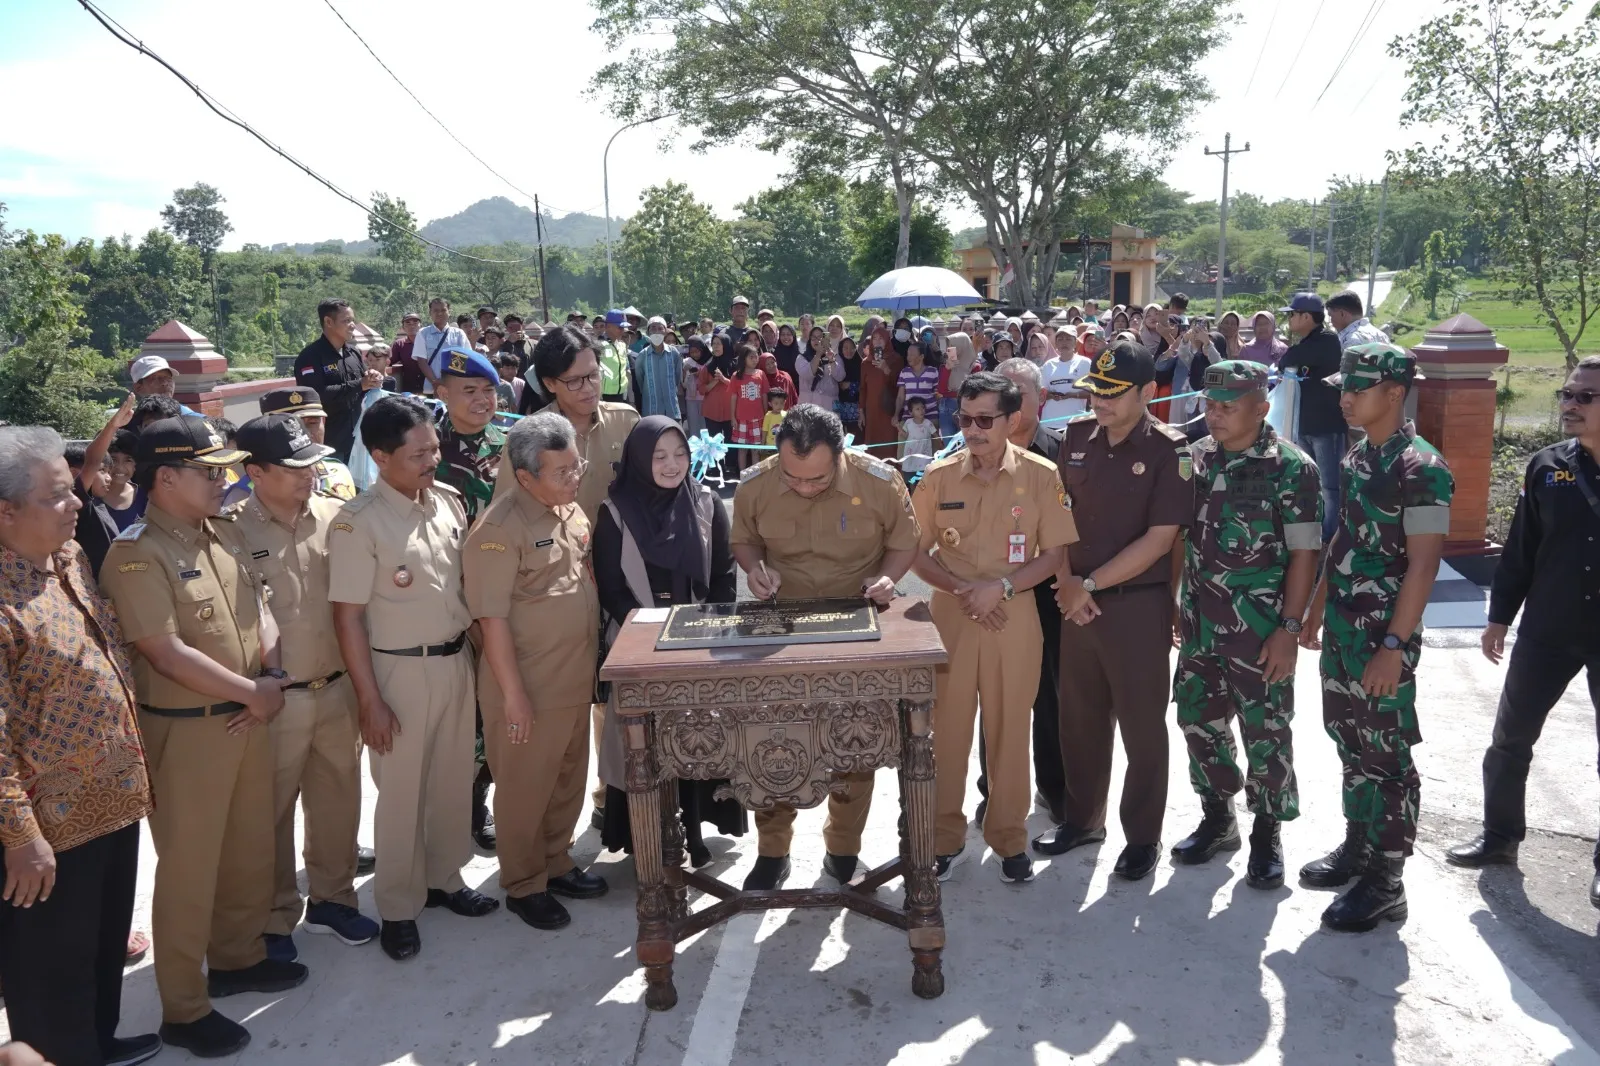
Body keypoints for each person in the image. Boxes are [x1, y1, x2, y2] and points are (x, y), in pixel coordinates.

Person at [99, 416, 303, 1058]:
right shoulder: (137, 553)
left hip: (249, 715)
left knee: (249, 850)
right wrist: (255, 692)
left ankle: (237, 959)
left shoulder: (223, 532)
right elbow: (163, 651)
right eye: (209, 472)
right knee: (190, 872)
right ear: (165, 479)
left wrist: (271, 678)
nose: (225, 482)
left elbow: (260, 610)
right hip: (189, 733)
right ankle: (184, 1008)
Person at [0, 426, 161, 1066]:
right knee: (50, 966)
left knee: (100, 942)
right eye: (58, 496)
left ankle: (99, 1042)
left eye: (73, 490)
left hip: (113, 798)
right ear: (6, 512)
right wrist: (20, 837)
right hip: (48, 829)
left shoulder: (67, 557)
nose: (76, 503)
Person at [328, 397, 500, 964]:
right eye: (418, 453)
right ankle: (399, 907)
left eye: (434, 448)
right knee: (402, 794)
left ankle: (445, 879)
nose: (432, 460)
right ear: (380, 457)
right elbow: (347, 617)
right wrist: (369, 699)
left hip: (454, 662)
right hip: (398, 670)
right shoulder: (358, 522)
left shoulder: (446, 502)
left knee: (452, 780)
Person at [730, 404, 919, 889]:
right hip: (782, 628)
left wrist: (888, 577)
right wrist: (754, 569)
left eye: (817, 479)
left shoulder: (879, 482)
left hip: (855, 623)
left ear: (840, 455)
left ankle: (843, 849)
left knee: (855, 739)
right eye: (792, 478)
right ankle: (773, 851)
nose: (804, 488)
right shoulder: (755, 484)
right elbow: (744, 540)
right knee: (773, 738)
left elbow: (905, 542)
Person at [1299, 343, 1452, 932]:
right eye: (1343, 388)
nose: (1345, 399)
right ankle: (1359, 846)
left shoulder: (1423, 468)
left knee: (1386, 756)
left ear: (1394, 393)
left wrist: (1393, 647)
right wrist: (1316, 606)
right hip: (1344, 627)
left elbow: (1424, 566)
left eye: (1356, 389)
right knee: (1349, 741)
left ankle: (1387, 880)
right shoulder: (1360, 455)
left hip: (1383, 635)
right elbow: (1344, 535)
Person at [910, 372, 1077, 885]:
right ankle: (944, 840)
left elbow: (1054, 554)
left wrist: (999, 589)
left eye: (985, 420)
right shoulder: (939, 476)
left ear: (1013, 419)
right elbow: (914, 551)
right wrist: (965, 590)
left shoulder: (1041, 475)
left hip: (1014, 615)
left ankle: (1008, 839)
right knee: (947, 732)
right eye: (965, 419)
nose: (973, 430)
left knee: (1010, 732)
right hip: (953, 615)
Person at [1446, 357, 1600, 909]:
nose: (1570, 405)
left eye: (1585, 397)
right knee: (1510, 738)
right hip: (1549, 626)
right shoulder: (1548, 466)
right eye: (1567, 394)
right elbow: (1521, 548)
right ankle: (1499, 837)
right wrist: (1499, 618)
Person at [1035, 340, 1192, 882]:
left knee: (1142, 728)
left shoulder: (1170, 450)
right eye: (1094, 392)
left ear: (1148, 393)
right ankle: (1083, 820)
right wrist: (1065, 585)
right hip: (1076, 602)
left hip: (1136, 607)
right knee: (1078, 719)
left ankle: (1142, 836)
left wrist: (1089, 585)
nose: (1099, 402)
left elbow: (1161, 539)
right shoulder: (1077, 437)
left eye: (1112, 393)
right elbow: (1057, 518)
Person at [1170, 361, 1323, 890]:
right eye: (1209, 405)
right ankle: (1218, 819)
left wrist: (1289, 629)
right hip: (1199, 625)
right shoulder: (1195, 458)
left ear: (1261, 408)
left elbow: (1305, 553)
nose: (1214, 415)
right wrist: (1175, 599)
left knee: (1267, 731)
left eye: (1227, 406)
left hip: (1260, 632)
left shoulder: (1292, 468)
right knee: (1198, 721)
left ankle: (1266, 831)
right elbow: (1179, 536)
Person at [232, 415, 379, 964]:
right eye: (294, 467)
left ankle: (333, 900)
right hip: (276, 702)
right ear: (254, 472)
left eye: (312, 462)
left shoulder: (337, 517)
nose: (308, 474)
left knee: (338, 803)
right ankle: (273, 916)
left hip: (338, 688)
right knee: (268, 815)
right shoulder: (229, 530)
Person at [464, 412, 610, 931]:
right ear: (526, 477)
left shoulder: (569, 510)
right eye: (562, 472)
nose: (574, 478)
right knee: (524, 790)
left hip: (572, 680)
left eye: (577, 467)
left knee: (567, 779)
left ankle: (556, 861)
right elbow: (491, 620)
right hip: (526, 686)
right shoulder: (498, 530)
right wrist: (514, 697)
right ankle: (524, 883)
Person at [593, 417, 745, 866]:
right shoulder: (615, 511)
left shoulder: (705, 503)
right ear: (640, 460)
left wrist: (707, 627)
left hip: (697, 643)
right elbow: (611, 587)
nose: (672, 464)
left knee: (695, 736)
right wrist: (650, 632)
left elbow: (724, 574)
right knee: (645, 744)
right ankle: (647, 835)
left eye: (680, 454)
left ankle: (694, 831)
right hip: (640, 643)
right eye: (659, 456)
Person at [533, 325, 641, 824]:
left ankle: (611, 795)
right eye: (575, 381)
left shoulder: (627, 421)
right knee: (572, 696)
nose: (589, 387)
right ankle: (559, 812)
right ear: (549, 383)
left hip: (623, 582)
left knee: (617, 693)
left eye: (594, 375)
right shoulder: (531, 436)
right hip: (562, 585)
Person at [971, 359, 1071, 826]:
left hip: (1048, 596)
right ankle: (993, 790)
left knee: (1050, 696)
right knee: (994, 699)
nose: (1007, 403)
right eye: (1000, 393)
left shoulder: (1064, 454)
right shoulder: (975, 453)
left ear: (1041, 399)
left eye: (1019, 393)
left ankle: (1054, 788)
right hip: (992, 597)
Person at [1278, 293, 1345, 541]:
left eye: (1292, 314)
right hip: (1306, 425)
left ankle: (1330, 536)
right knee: (1309, 482)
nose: (1290, 319)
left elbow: (1290, 358)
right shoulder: (1308, 342)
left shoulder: (1327, 340)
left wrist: (1291, 354)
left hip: (1326, 425)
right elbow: (1285, 361)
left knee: (1329, 485)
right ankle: (1313, 530)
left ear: (1306, 316)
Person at [293, 298, 381, 463]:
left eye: (352, 320)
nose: (352, 325)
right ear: (328, 322)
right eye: (346, 321)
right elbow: (315, 395)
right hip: (330, 442)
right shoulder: (310, 357)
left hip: (358, 440)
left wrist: (373, 379)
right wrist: (360, 384)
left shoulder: (354, 353)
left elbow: (363, 386)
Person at [258, 388, 357, 501]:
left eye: (313, 423)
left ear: (323, 422)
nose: (306, 434)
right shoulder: (256, 486)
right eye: (292, 426)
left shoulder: (339, 471)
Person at [415, 298, 469, 397]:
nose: (439, 313)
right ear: (430, 313)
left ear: (449, 312)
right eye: (436, 310)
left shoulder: (459, 334)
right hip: (431, 388)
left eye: (443, 310)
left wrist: (447, 382)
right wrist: (435, 382)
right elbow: (422, 361)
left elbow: (463, 359)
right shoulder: (422, 333)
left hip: (454, 388)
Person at [632, 317, 683, 420]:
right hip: (651, 410)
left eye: (660, 328)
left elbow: (677, 377)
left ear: (665, 331)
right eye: (653, 328)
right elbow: (640, 380)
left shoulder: (674, 353)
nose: (657, 331)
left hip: (672, 409)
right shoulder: (643, 355)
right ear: (648, 332)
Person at [730, 345, 770, 469]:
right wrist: (733, 417)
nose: (754, 359)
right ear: (744, 359)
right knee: (742, 449)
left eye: (756, 356)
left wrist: (766, 415)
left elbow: (764, 395)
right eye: (751, 357)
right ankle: (743, 475)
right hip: (741, 419)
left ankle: (755, 476)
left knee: (755, 449)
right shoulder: (736, 376)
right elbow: (733, 397)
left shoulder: (761, 374)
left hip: (758, 418)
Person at [1039, 335, 1092, 428]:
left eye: (1068, 339)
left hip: (1075, 422)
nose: (1064, 342)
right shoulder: (1048, 365)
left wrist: (1073, 395)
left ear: (1075, 343)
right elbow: (1041, 394)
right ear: (1056, 344)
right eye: (1060, 339)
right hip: (1049, 422)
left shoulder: (1085, 363)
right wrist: (1051, 395)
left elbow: (1093, 392)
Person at [796, 328, 844, 412]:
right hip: (808, 407)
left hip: (829, 408)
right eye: (813, 338)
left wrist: (831, 360)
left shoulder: (835, 357)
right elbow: (807, 374)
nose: (817, 340)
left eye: (820, 337)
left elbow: (840, 377)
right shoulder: (802, 358)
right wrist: (818, 354)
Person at [598, 310, 634, 403]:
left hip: (622, 395)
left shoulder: (622, 345)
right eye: (620, 327)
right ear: (608, 326)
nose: (623, 330)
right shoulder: (598, 346)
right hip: (604, 397)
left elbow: (626, 370)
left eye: (623, 327)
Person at [899, 396, 936, 478]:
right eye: (917, 409)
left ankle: (919, 485)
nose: (921, 410)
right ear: (911, 412)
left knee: (923, 478)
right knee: (910, 478)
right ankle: (911, 486)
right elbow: (905, 436)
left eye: (923, 408)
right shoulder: (908, 423)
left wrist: (941, 446)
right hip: (911, 456)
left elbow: (936, 436)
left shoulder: (928, 423)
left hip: (924, 457)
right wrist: (898, 427)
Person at [392, 312, 424, 393]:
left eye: (415, 322)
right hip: (410, 388)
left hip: (429, 385)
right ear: (403, 328)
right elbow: (390, 361)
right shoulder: (399, 344)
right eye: (408, 323)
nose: (412, 326)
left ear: (421, 326)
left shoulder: (428, 342)